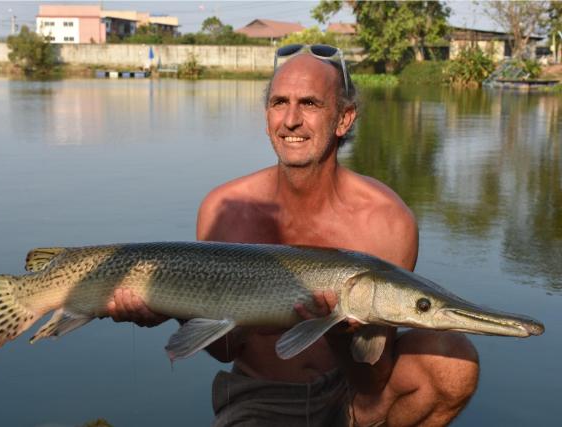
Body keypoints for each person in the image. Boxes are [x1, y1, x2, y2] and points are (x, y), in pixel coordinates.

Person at [107, 45, 479, 426]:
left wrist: (337, 332)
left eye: (310, 104)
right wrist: (171, 310)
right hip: (259, 395)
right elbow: (225, 349)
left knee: (452, 363)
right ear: (266, 116)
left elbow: (372, 379)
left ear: (344, 118)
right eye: (279, 102)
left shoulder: (388, 221)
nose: (290, 120)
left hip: (351, 393)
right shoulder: (225, 208)